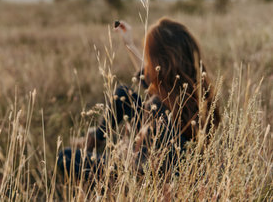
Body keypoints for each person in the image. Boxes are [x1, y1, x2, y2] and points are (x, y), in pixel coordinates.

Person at [58, 17, 221, 180]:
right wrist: (129, 44)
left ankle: (94, 152)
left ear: (158, 62)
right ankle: (95, 139)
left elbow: (142, 168)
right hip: (171, 159)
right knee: (123, 94)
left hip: (145, 175)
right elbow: (150, 75)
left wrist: (124, 151)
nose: (148, 62)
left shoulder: (157, 108)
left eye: (149, 55)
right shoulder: (196, 87)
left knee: (65, 157)